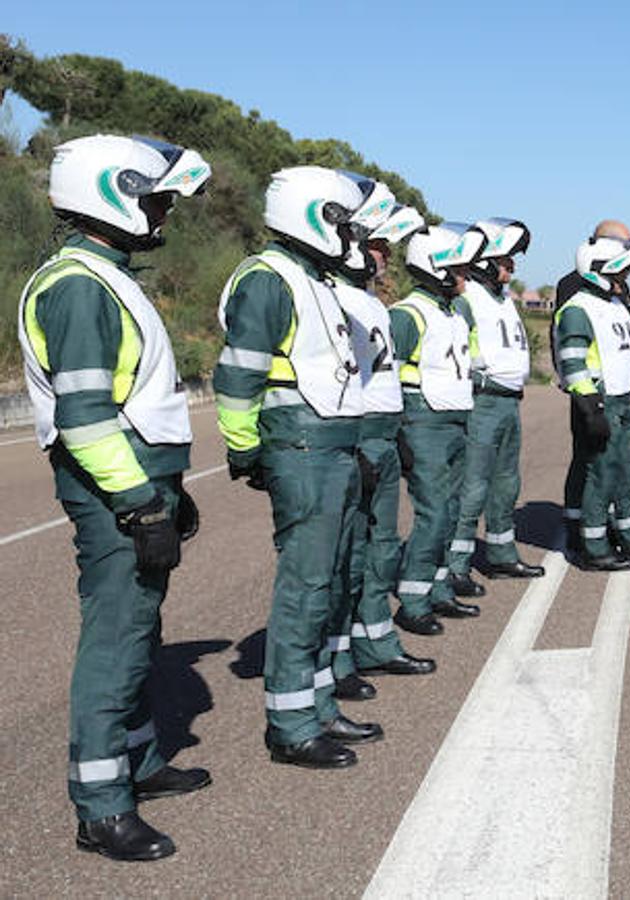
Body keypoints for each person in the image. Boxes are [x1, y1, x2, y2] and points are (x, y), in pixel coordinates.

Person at [20, 134, 211, 861]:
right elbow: (86, 416)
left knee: (141, 635)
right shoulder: (78, 287)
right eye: (156, 195)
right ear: (114, 191)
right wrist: (138, 500)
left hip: (135, 481)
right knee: (116, 643)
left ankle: (140, 762)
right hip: (113, 490)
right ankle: (101, 808)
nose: (164, 209)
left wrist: (166, 490)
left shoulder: (106, 275)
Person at [216, 167, 381, 770]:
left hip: (331, 445)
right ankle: (289, 724)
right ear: (318, 216)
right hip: (302, 446)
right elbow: (238, 374)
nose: (355, 235)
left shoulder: (313, 278)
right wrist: (245, 448)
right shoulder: (267, 278)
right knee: (306, 586)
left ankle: (315, 705)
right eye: (347, 221)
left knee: (331, 580)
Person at [328, 195, 435, 703]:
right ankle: (337, 655)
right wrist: (359, 444)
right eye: (375, 245)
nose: (383, 256)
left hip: (386, 432)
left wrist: (399, 436)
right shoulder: (333, 296)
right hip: (358, 433)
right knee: (346, 555)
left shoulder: (371, 301)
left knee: (381, 547)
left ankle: (376, 639)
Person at [554, 234, 630, 566]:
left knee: (629, 472)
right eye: (618, 273)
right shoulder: (578, 309)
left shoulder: (616, 305)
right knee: (602, 473)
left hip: (622, 399)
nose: (623, 280)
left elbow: (624, 356)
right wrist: (591, 407)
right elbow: (573, 362)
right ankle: (594, 547)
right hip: (599, 401)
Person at [389, 222, 482, 634]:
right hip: (423, 420)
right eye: (460, 268)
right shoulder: (406, 315)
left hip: (456, 419)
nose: (467, 275)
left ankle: (439, 589)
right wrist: (398, 433)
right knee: (433, 513)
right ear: (436, 267)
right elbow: (382, 380)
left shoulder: (456, 313)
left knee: (453, 511)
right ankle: (412, 600)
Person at [447, 218, 545, 597]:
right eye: (506, 259)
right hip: (482, 400)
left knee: (506, 485)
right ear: (485, 261)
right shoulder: (467, 296)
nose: (513, 266)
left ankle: (502, 553)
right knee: (472, 488)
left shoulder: (500, 298)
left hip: (508, 402)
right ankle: (455, 565)